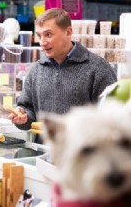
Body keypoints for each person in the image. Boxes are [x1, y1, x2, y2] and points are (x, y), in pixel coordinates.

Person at [9, 8, 117, 142]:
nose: (42, 42)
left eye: (48, 34)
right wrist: (22, 117)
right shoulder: (36, 70)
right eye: (39, 35)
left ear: (68, 32)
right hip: (44, 155)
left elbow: (114, 119)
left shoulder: (98, 68)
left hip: (82, 157)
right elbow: (28, 110)